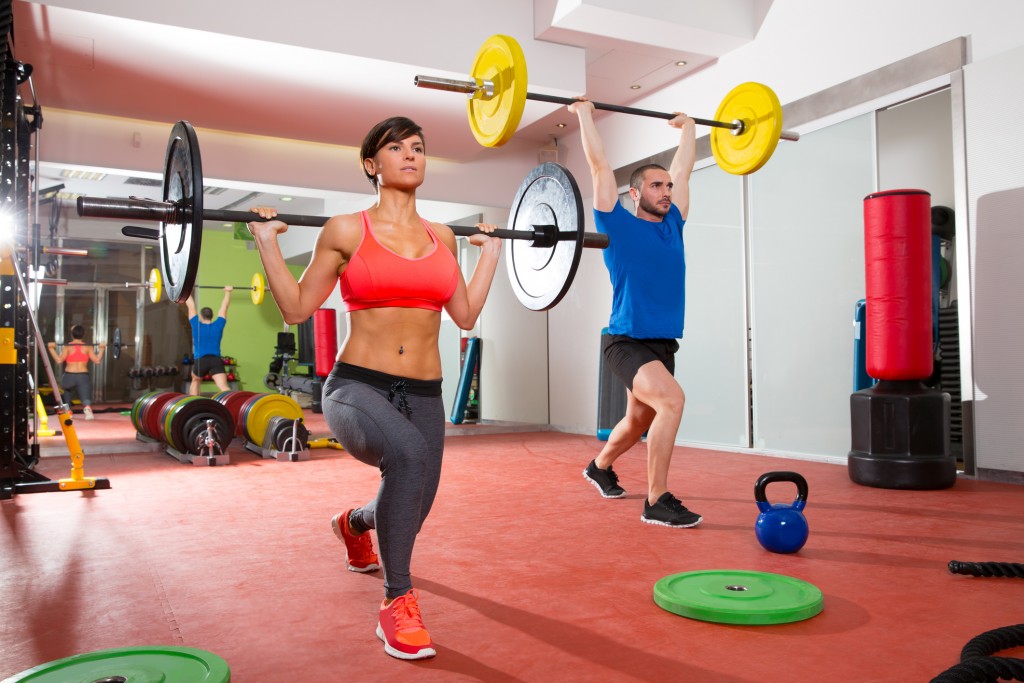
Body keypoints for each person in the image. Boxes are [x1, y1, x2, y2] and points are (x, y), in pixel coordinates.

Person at [247, 116, 501, 661]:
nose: (410, 155)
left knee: (415, 501)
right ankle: (396, 603)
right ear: (372, 164)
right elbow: (296, 307)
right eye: (396, 148)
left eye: (418, 148)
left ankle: (354, 523)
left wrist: (493, 257)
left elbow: (465, 315)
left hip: (426, 392)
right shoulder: (345, 230)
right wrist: (266, 242)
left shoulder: (444, 237)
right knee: (407, 458)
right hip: (357, 387)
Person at [569, 99, 702, 529]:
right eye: (655, 186)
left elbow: (683, 170)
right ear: (635, 193)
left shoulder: (674, 225)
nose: (665, 191)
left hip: (661, 342)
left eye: (666, 186)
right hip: (625, 341)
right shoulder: (616, 224)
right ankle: (657, 499)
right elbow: (598, 165)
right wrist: (585, 115)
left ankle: (600, 466)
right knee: (673, 400)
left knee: (639, 418)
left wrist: (689, 129)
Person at [47, 324, 105, 419]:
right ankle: (87, 409)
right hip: (83, 376)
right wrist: (102, 349)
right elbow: (97, 360)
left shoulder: (67, 347)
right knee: (85, 397)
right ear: (83, 334)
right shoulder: (88, 347)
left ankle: (68, 411)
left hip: (69, 376)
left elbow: (58, 360)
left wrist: (51, 349)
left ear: (72, 334)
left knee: (67, 392)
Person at [184, 287, 233, 395]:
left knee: (196, 380)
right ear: (212, 315)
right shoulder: (218, 325)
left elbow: (191, 306)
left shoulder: (196, 325)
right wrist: (228, 292)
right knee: (224, 387)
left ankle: (193, 404)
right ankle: (233, 404)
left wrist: (185, 289)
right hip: (216, 360)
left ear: (201, 316)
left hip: (201, 360)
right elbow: (224, 307)